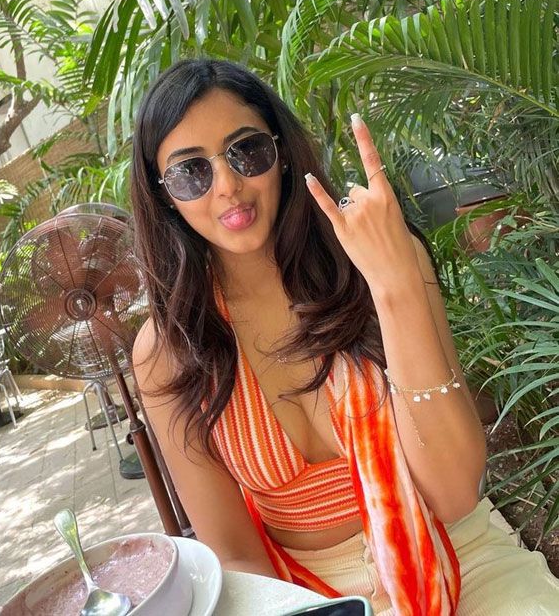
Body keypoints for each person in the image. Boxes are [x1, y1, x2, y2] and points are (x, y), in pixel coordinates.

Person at [130, 58, 559, 615]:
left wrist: (395, 283)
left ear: (281, 152)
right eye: (191, 172)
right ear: (164, 194)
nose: (229, 186)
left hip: (454, 548)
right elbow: (233, 555)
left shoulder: (375, 257)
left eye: (246, 151)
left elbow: (455, 494)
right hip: (303, 591)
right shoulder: (171, 351)